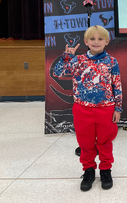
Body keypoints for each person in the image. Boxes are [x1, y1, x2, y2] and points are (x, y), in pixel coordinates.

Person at [52, 25, 122, 191]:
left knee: (105, 142)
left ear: (107, 41)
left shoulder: (112, 62)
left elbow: (117, 85)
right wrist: (66, 57)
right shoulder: (77, 61)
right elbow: (58, 73)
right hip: (83, 110)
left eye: (100, 39)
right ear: (86, 41)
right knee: (86, 142)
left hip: (106, 108)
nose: (96, 42)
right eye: (92, 39)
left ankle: (105, 170)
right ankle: (88, 171)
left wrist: (118, 108)